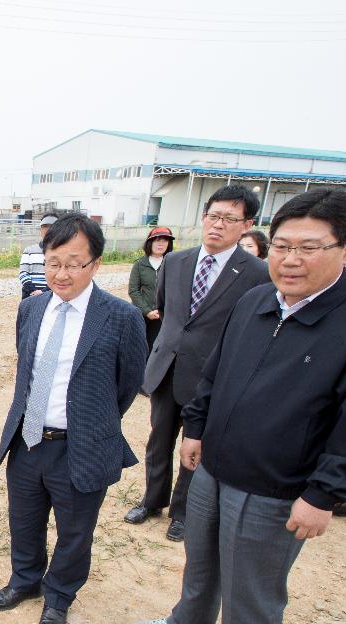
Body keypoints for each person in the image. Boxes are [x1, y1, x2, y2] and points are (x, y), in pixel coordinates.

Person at [131, 189, 346, 624]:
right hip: (216, 464)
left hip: (279, 486)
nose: (291, 259)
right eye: (281, 246)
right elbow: (214, 372)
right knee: (202, 555)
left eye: (309, 247)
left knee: (254, 581)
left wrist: (324, 494)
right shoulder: (256, 301)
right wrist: (196, 427)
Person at [0, 213, 146, 624]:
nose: (61, 273)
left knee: (75, 531)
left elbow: (127, 385)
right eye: (53, 261)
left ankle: (59, 595)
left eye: (73, 263)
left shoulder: (120, 317)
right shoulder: (31, 308)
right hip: (29, 438)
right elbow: (27, 371)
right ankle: (25, 580)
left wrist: (91, 421)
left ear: (95, 264)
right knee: (24, 520)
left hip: (81, 444)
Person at [124, 186, 269, 542]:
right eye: (213, 216)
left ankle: (183, 511)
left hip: (212, 376)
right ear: (203, 217)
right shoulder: (176, 262)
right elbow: (168, 314)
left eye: (229, 219)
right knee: (159, 439)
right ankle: (151, 500)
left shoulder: (256, 272)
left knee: (196, 444)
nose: (218, 225)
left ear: (247, 224)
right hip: (168, 368)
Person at [127, 226, 174, 352]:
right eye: (157, 240)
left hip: (162, 316)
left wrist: (163, 310)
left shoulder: (172, 264)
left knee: (156, 349)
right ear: (150, 243)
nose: (161, 244)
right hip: (141, 314)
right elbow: (133, 290)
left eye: (165, 241)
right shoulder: (140, 264)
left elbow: (175, 290)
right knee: (137, 347)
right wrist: (147, 311)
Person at [19, 213, 58, 298]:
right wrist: (32, 290)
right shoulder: (29, 250)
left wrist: (44, 291)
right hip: (29, 294)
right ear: (40, 230)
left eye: (52, 226)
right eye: (45, 226)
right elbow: (23, 273)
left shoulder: (62, 252)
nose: (48, 229)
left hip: (53, 293)